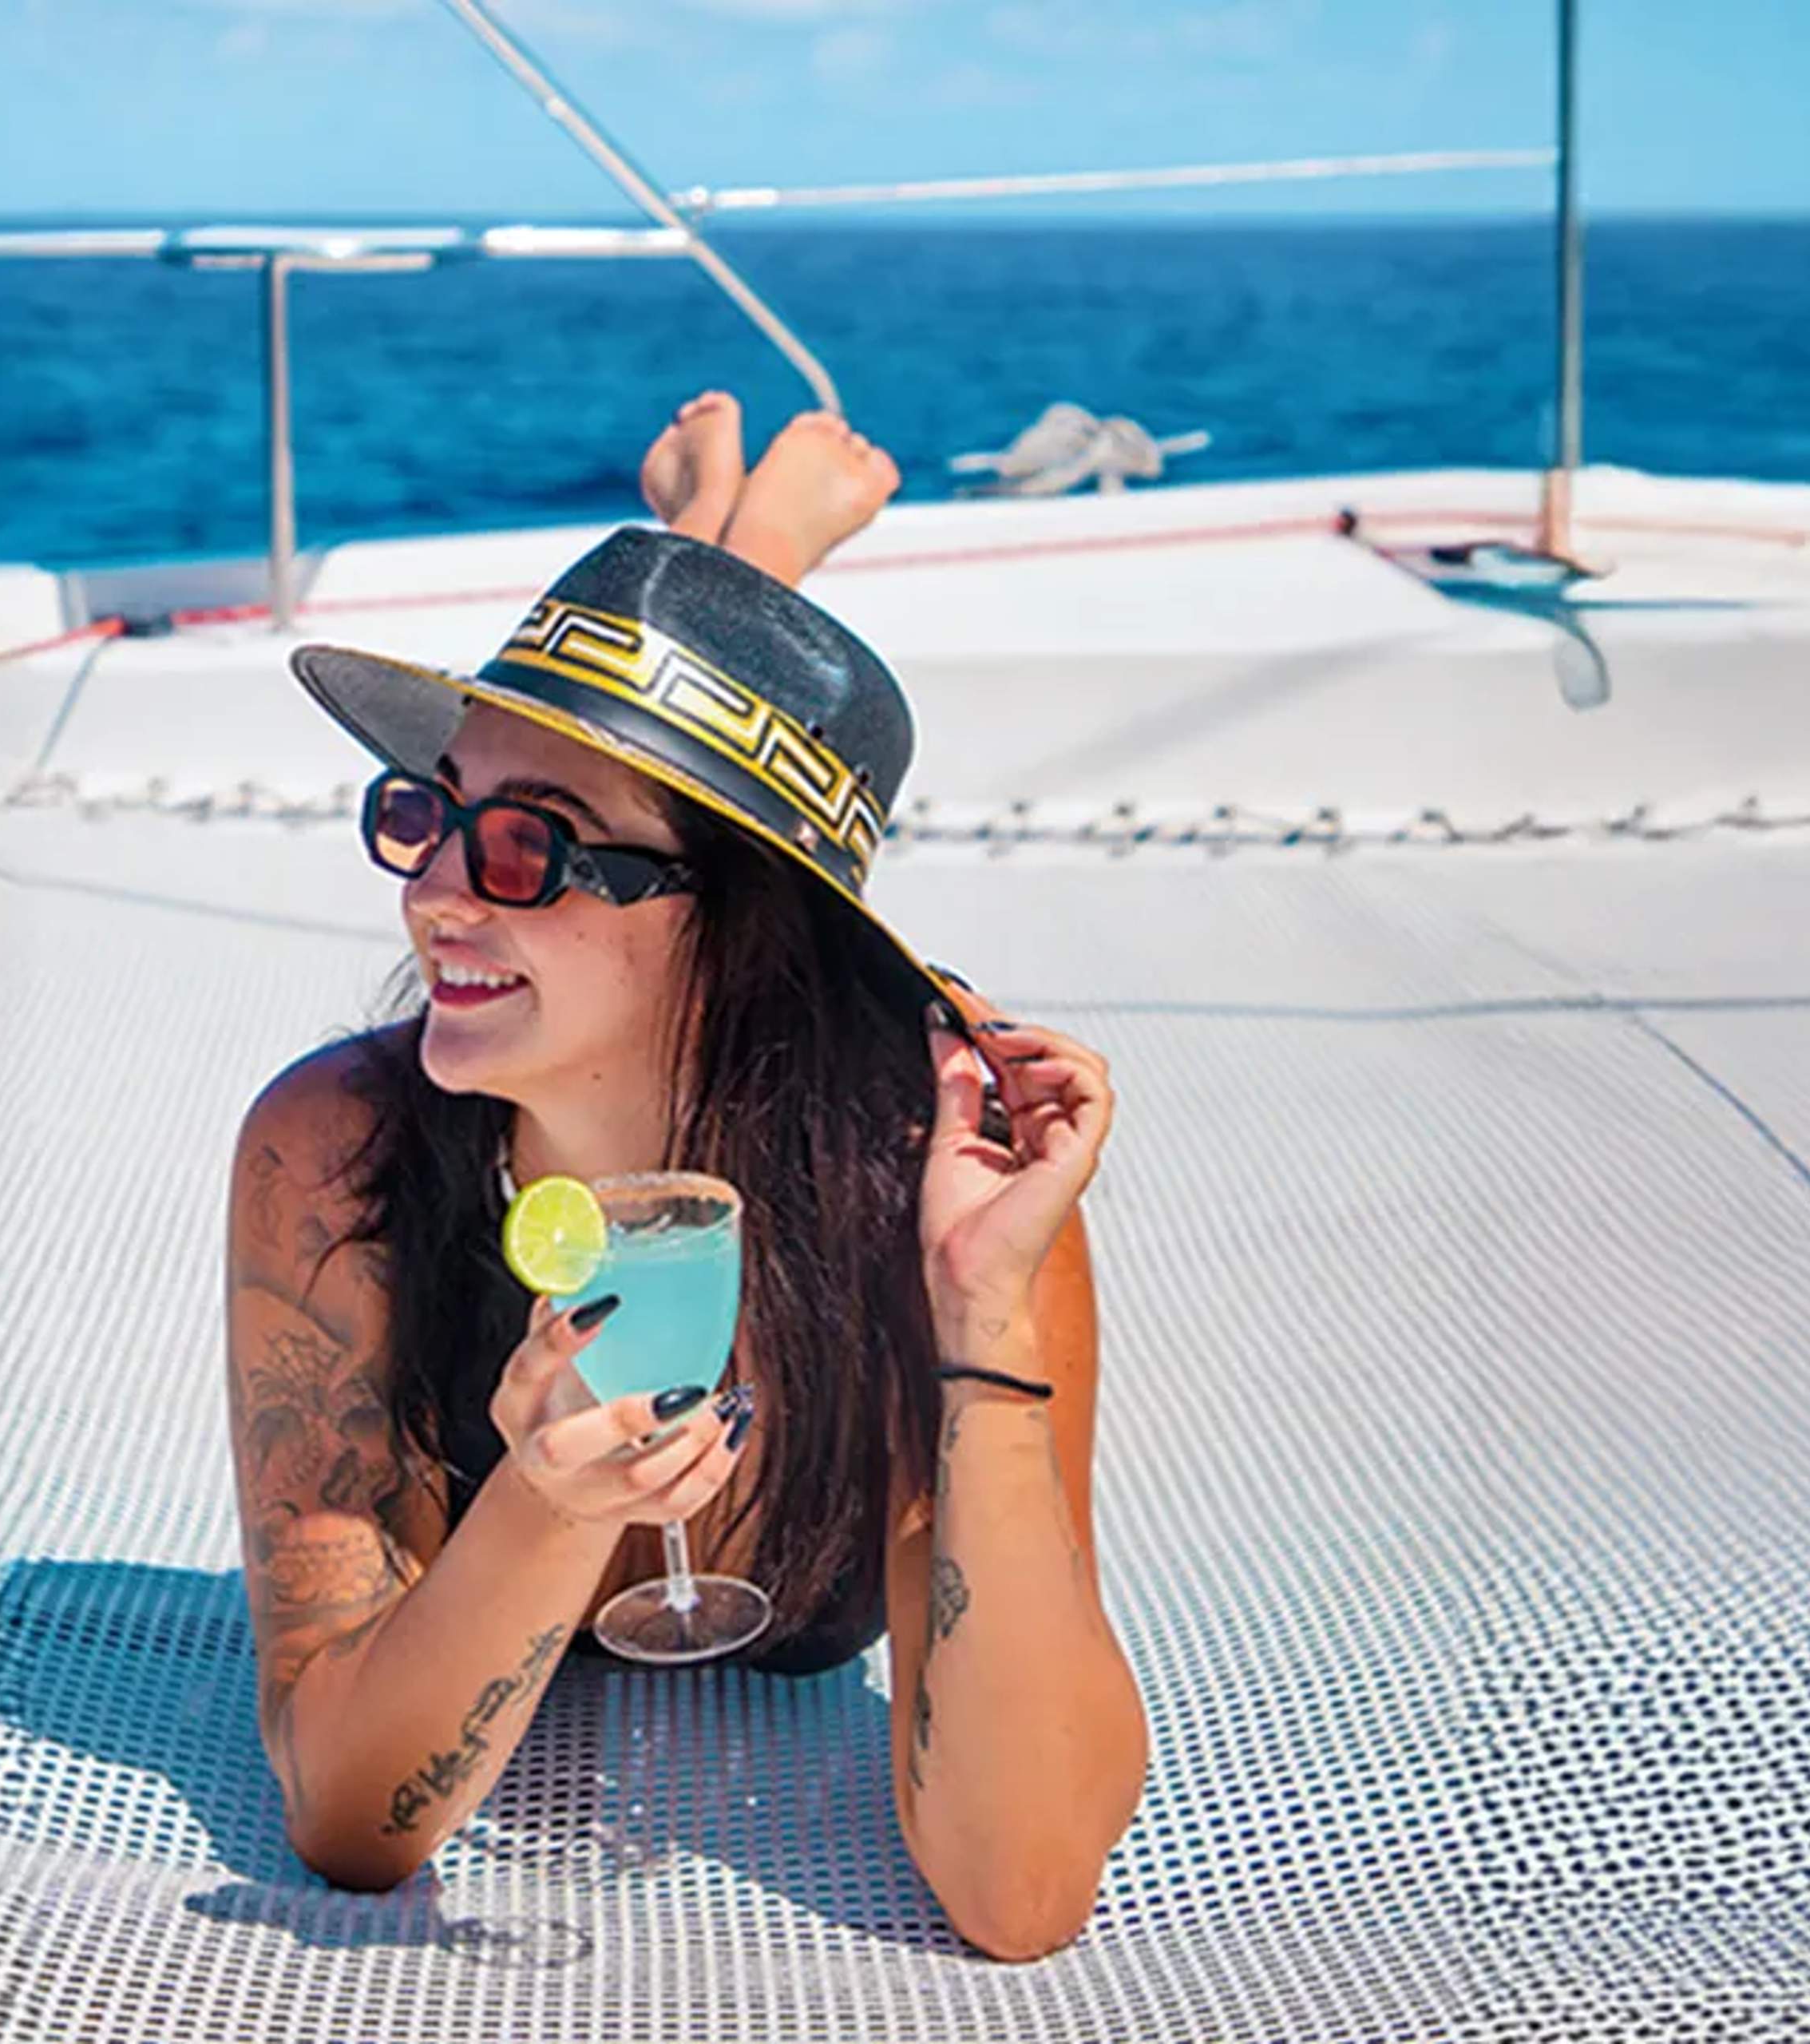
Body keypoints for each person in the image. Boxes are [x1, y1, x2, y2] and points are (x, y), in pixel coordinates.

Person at [224, 392, 1148, 1959]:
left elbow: (1024, 1894)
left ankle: (749, 538)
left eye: (530, 845)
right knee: (678, 724)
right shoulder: (342, 1156)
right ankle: (749, 543)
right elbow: (343, 1818)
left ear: (739, 928)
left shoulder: (935, 1200)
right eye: (428, 809)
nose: (437, 890)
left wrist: (985, 1317)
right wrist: (540, 1503)